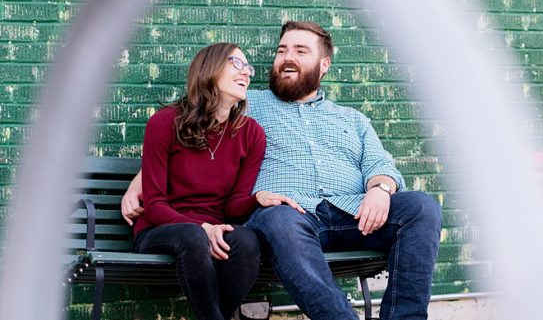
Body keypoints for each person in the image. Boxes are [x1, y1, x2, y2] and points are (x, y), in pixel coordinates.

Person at [123, 22, 442, 320]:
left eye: (301, 51)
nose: (287, 58)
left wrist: (380, 189)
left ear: (324, 65)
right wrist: (142, 177)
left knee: (422, 207)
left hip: (353, 213)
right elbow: (197, 121)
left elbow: (381, 166)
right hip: (290, 215)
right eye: (282, 51)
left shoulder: (352, 119)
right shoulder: (248, 104)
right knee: (279, 218)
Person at [127, 42, 303, 320]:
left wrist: (256, 199)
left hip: (214, 231)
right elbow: (155, 204)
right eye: (237, 63)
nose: (246, 73)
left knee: (246, 240)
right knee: (192, 235)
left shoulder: (251, 134)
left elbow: (233, 207)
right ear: (209, 69)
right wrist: (202, 227)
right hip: (159, 230)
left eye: (249, 67)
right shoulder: (164, 122)